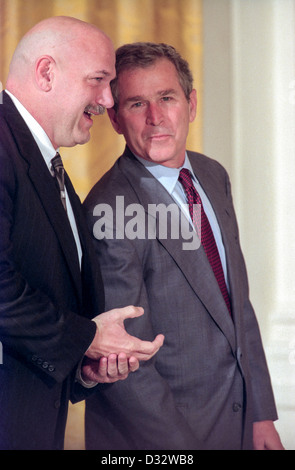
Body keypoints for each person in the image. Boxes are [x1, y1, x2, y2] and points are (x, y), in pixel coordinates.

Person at [83, 42, 284, 450]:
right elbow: (126, 364)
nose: (156, 118)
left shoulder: (212, 175)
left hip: (239, 422)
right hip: (160, 440)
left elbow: (237, 304)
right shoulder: (111, 208)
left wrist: (261, 415)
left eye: (166, 98)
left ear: (190, 104)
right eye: (137, 104)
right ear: (116, 120)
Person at [0, 20, 164, 450]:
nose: (107, 100)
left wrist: (83, 366)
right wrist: (87, 338)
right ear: (46, 73)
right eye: (98, 80)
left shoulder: (45, 161)